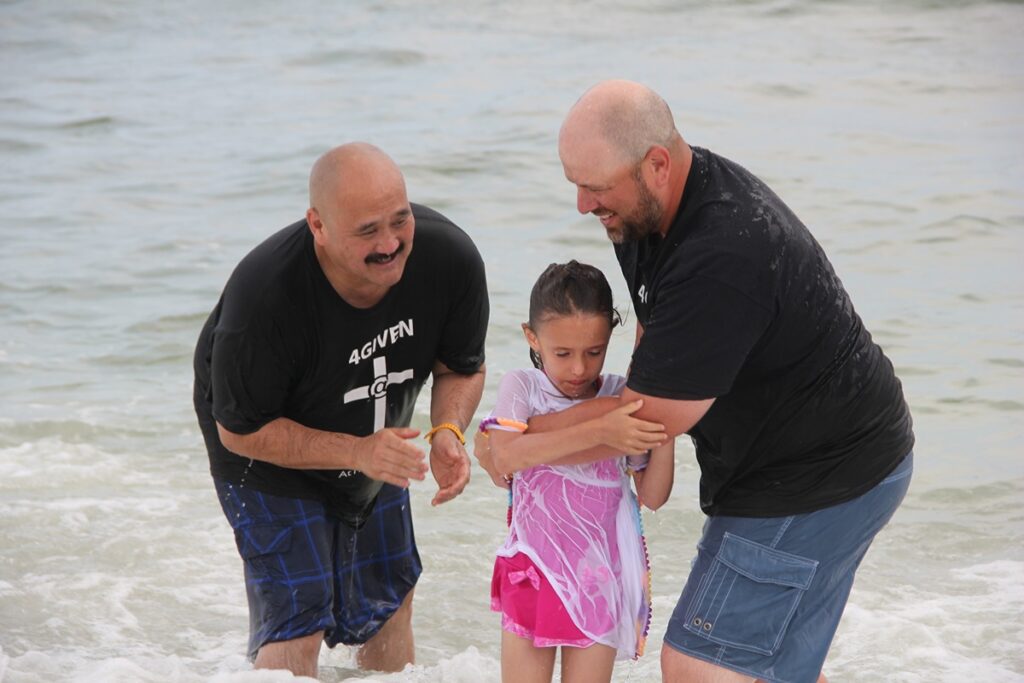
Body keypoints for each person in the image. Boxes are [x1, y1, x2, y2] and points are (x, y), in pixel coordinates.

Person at [542, 80, 916, 682]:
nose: (583, 205)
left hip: (823, 472)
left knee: (701, 664)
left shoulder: (722, 248)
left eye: (596, 186)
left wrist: (518, 442)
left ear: (656, 164)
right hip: (830, 456)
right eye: (575, 184)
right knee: (769, 667)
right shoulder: (647, 211)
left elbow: (648, 418)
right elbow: (654, 331)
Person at [192, 142, 489, 677]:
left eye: (400, 220)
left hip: (375, 434)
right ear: (318, 226)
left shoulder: (448, 259)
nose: (391, 243)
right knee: (298, 611)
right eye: (367, 231)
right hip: (263, 445)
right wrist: (357, 451)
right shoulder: (264, 298)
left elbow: (460, 366)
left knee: (389, 598)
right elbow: (241, 431)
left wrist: (448, 430)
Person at [478, 260, 674, 683]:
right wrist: (600, 429)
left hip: (599, 578)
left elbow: (653, 496)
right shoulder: (523, 388)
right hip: (533, 570)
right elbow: (506, 457)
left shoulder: (620, 394)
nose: (580, 370)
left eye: (594, 352)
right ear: (532, 337)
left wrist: (668, 423)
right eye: (562, 354)